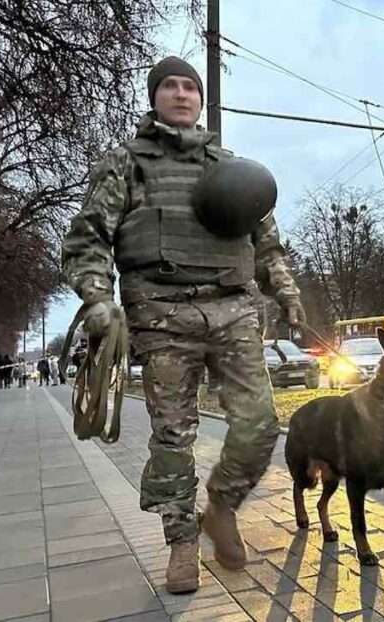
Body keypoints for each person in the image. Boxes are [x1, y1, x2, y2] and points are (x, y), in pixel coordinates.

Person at [61, 56, 303, 595]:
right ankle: (182, 541)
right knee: (173, 435)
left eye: (189, 86)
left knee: (260, 422)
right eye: (169, 85)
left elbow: (266, 241)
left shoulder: (230, 166)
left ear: (199, 98)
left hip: (235, 308)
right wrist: (98, 298)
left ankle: (221, 505)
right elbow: (87, 239)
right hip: (162, 313)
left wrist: (285, 291)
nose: (181, 93)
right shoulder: (127, 164)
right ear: (155, 97)